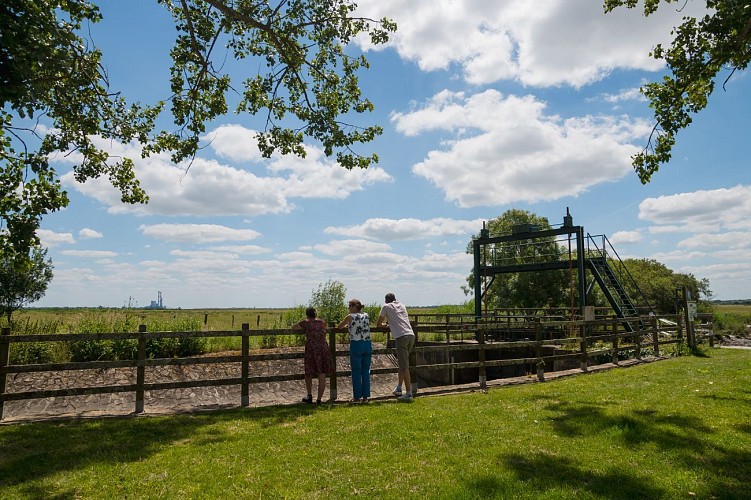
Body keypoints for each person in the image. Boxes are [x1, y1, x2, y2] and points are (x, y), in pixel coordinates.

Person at [377, 292, 415, 402]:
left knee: (404, 366)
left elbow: (378, 323)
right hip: (410, 335)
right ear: (395, 299)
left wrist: (386, 326)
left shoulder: (386, 307)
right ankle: (399, 387)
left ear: (385, 300)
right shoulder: (402, 305)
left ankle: (408, 393)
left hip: (401, 337)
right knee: (402, 363)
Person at [292, 307, 334, 404]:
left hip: (312, 349)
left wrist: (305, 321)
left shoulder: (306, 323)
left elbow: (294, 327)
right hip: (323, 348)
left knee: (308, 372)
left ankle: (309, 395)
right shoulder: (322, 322)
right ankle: (319, 399)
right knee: (322, 373)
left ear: (307, 315)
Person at [338, 298, 372, 403]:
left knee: (356, 371)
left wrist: (348, 326)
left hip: (356, 344)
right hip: (367, 343)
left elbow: (339, 326)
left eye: (349, 306)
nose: (348, 308)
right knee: (366, 371)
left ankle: (357, 397)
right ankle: (366, 396)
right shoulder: (366, 315)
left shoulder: (350, 317)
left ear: (353, 307)